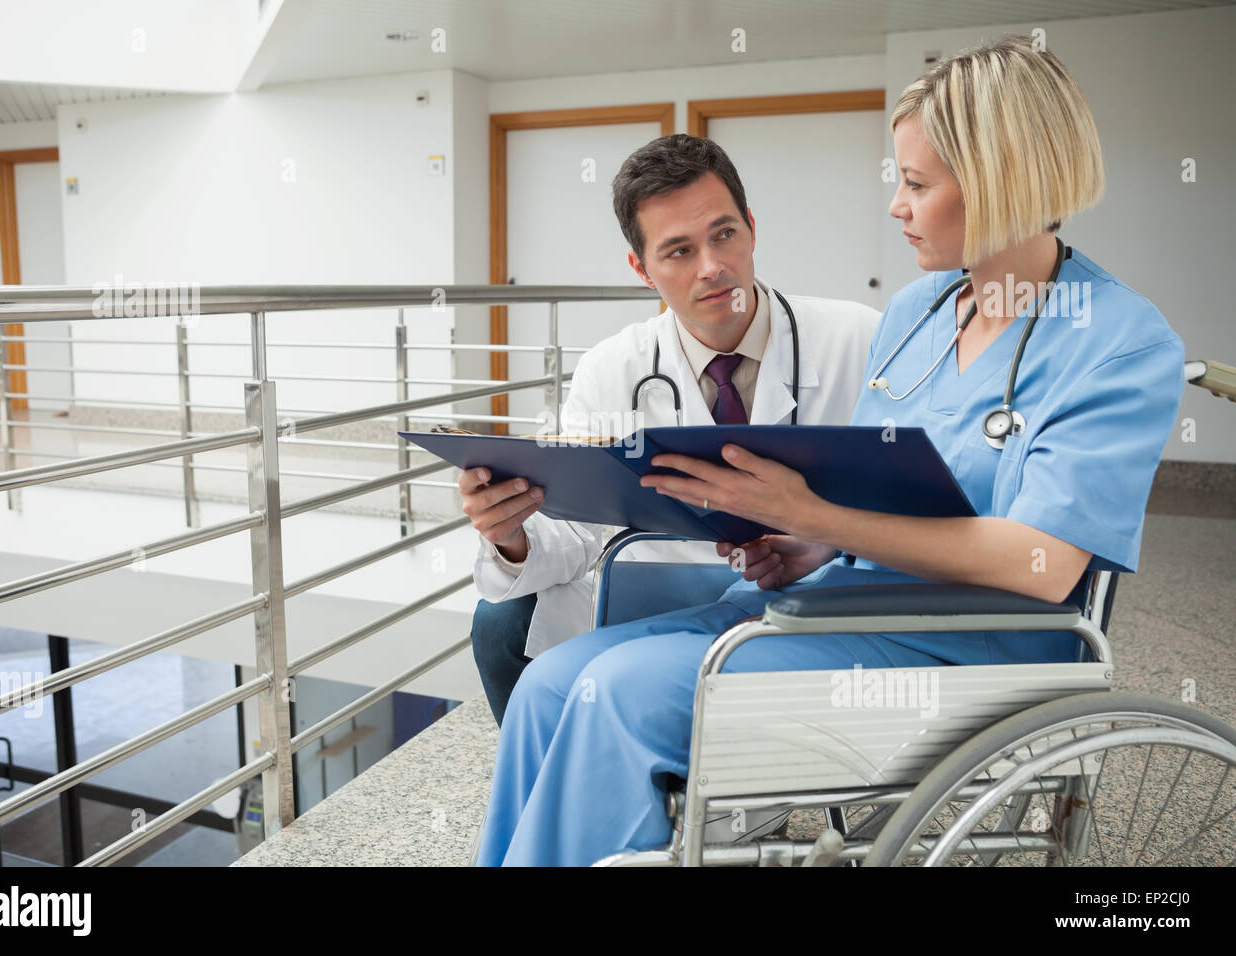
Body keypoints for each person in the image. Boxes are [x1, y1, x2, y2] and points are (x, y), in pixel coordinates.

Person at [474, 35, 1187, 866]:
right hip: (839, 606)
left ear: (1002, 181)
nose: (897, 206)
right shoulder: (921, 311)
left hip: (971, 647)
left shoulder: (1121, 342)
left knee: (615, 696)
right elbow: (885, 493)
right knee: (549, 687)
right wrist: (811, 540)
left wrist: (814, 511)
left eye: (916, 184)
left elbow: (1044, 563)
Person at [464, 134, 880, 725]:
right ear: (642, 269)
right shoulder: (612, 369)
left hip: (814, 593)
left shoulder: (859, 339)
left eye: (724, 235)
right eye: (679, 251)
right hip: (664, 594)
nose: (713, 267)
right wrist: (511, 535)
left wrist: (830, 541)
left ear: (752, 228)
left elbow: (911, 503)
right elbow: (579, 534)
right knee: (502, 621)